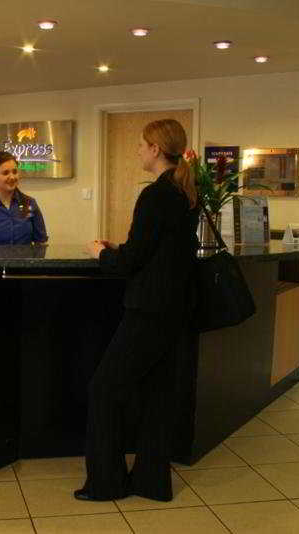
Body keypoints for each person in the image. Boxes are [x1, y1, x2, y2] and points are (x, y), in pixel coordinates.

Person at [79, 119, 200, 502]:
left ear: (155, 149)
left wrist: (100, 254)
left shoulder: (155, 194)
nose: (138, 151)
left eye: (141, 145)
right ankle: (151, 482)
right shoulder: (184, 192)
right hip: (174, 310)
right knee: (157, 394)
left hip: (148, 310)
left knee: (103, 390)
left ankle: (106, 483)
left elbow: (131, 263)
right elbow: (158, 249)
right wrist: (122, 248)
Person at [0, 151, 48, 245]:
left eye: (15, 172)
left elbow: (41, 242)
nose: (12, 177)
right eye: (5, 173)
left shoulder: (29, 204)